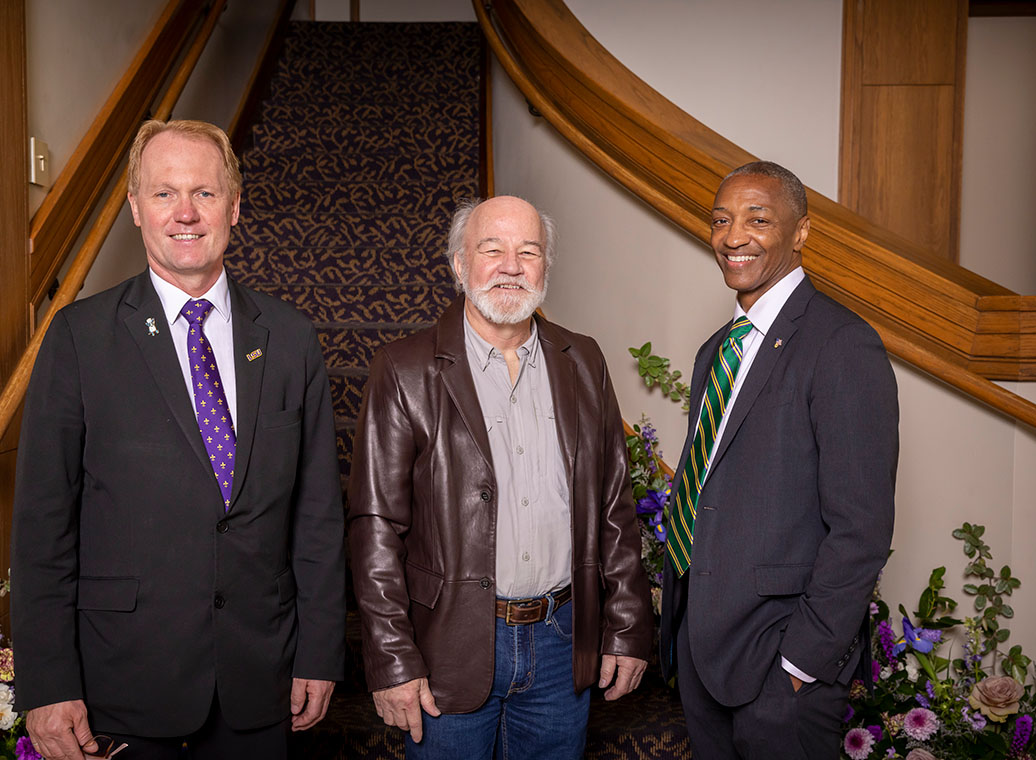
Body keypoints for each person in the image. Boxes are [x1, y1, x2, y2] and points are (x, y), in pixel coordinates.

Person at [10, 119, 346, 760]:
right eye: (164, 194)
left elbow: (318, 515)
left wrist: (321, 651)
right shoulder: (79, 338)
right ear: (136, 208)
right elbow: (41, 528)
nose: (185, 213)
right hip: (121, 682)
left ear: (235, 208)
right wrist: (47, 684)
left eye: (205, 193)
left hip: (260, 677)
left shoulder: (290, 337)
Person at [347, 195, 652, 759]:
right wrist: (391, 657)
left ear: (545, 268)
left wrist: (629, 621)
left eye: (528, 251)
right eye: (493, 249)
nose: (511, 266)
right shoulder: (404, 368)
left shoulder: (584, 360)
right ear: (460, 264)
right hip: (449, 644)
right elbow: (375, 527)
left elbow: (615, 505)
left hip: (563, 643)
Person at [659, 161, 898, 759]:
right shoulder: (716, 350)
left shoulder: (841, 343)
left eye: (757, 219)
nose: (732, 236)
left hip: (780, 663)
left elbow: (861, 526)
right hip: (703, 650)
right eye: (721, 220)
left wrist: (802, 660)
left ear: (802, 232)